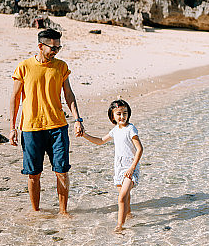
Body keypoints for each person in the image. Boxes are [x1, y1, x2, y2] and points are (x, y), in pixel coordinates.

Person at [9, 28, 84, 215]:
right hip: (31, 128)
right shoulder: (24, 67)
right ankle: (36, 213)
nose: (56, 51)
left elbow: (68, 94)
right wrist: (12, 128)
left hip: (57, 127)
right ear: (40, 46)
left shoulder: (61, 66)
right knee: (33, 174)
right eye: (53, 48)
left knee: (62, 171)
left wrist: (77, 119)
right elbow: (15, 98)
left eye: (59, 48)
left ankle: (63, 213)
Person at [82, 99, 144, 233]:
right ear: (112, 116)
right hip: (119, 167)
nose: (122, 117)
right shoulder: (115, 130)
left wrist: (132, 168)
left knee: (121, 197)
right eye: (119, 114)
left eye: (125, 113)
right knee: (125, 197)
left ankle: (119, 226)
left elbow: (139, 149)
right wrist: (84, 135)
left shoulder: (131, 129)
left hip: (130, 167)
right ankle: (129, 215)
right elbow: (100, 141)